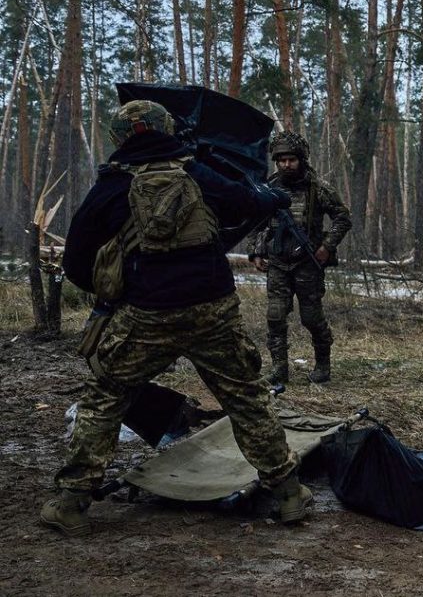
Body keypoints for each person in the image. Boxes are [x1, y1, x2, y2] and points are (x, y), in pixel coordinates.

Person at [41, 100, 310, 537]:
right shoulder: (199, 174)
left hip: (146, 315)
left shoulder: (110, 187)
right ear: (167, 129)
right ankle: (289, 494)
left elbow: (75, 262)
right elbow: (247, 202)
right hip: (214, 310)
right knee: (247, 397)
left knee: (105, 396)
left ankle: (72, 504)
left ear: (120, 138)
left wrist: (119, 288)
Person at [248, 131, 352, 384]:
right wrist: (256, 250)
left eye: (291, 160)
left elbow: (342, 217)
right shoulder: (269, 189)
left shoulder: (318, 189)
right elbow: (255, 221)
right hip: (278, 262)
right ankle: (279, 369)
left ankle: (323, 365)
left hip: (308, 263)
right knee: (275, 316)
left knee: (312, 317)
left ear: (301, 159)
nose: (286, 165)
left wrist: (326, 246)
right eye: (281, 160)